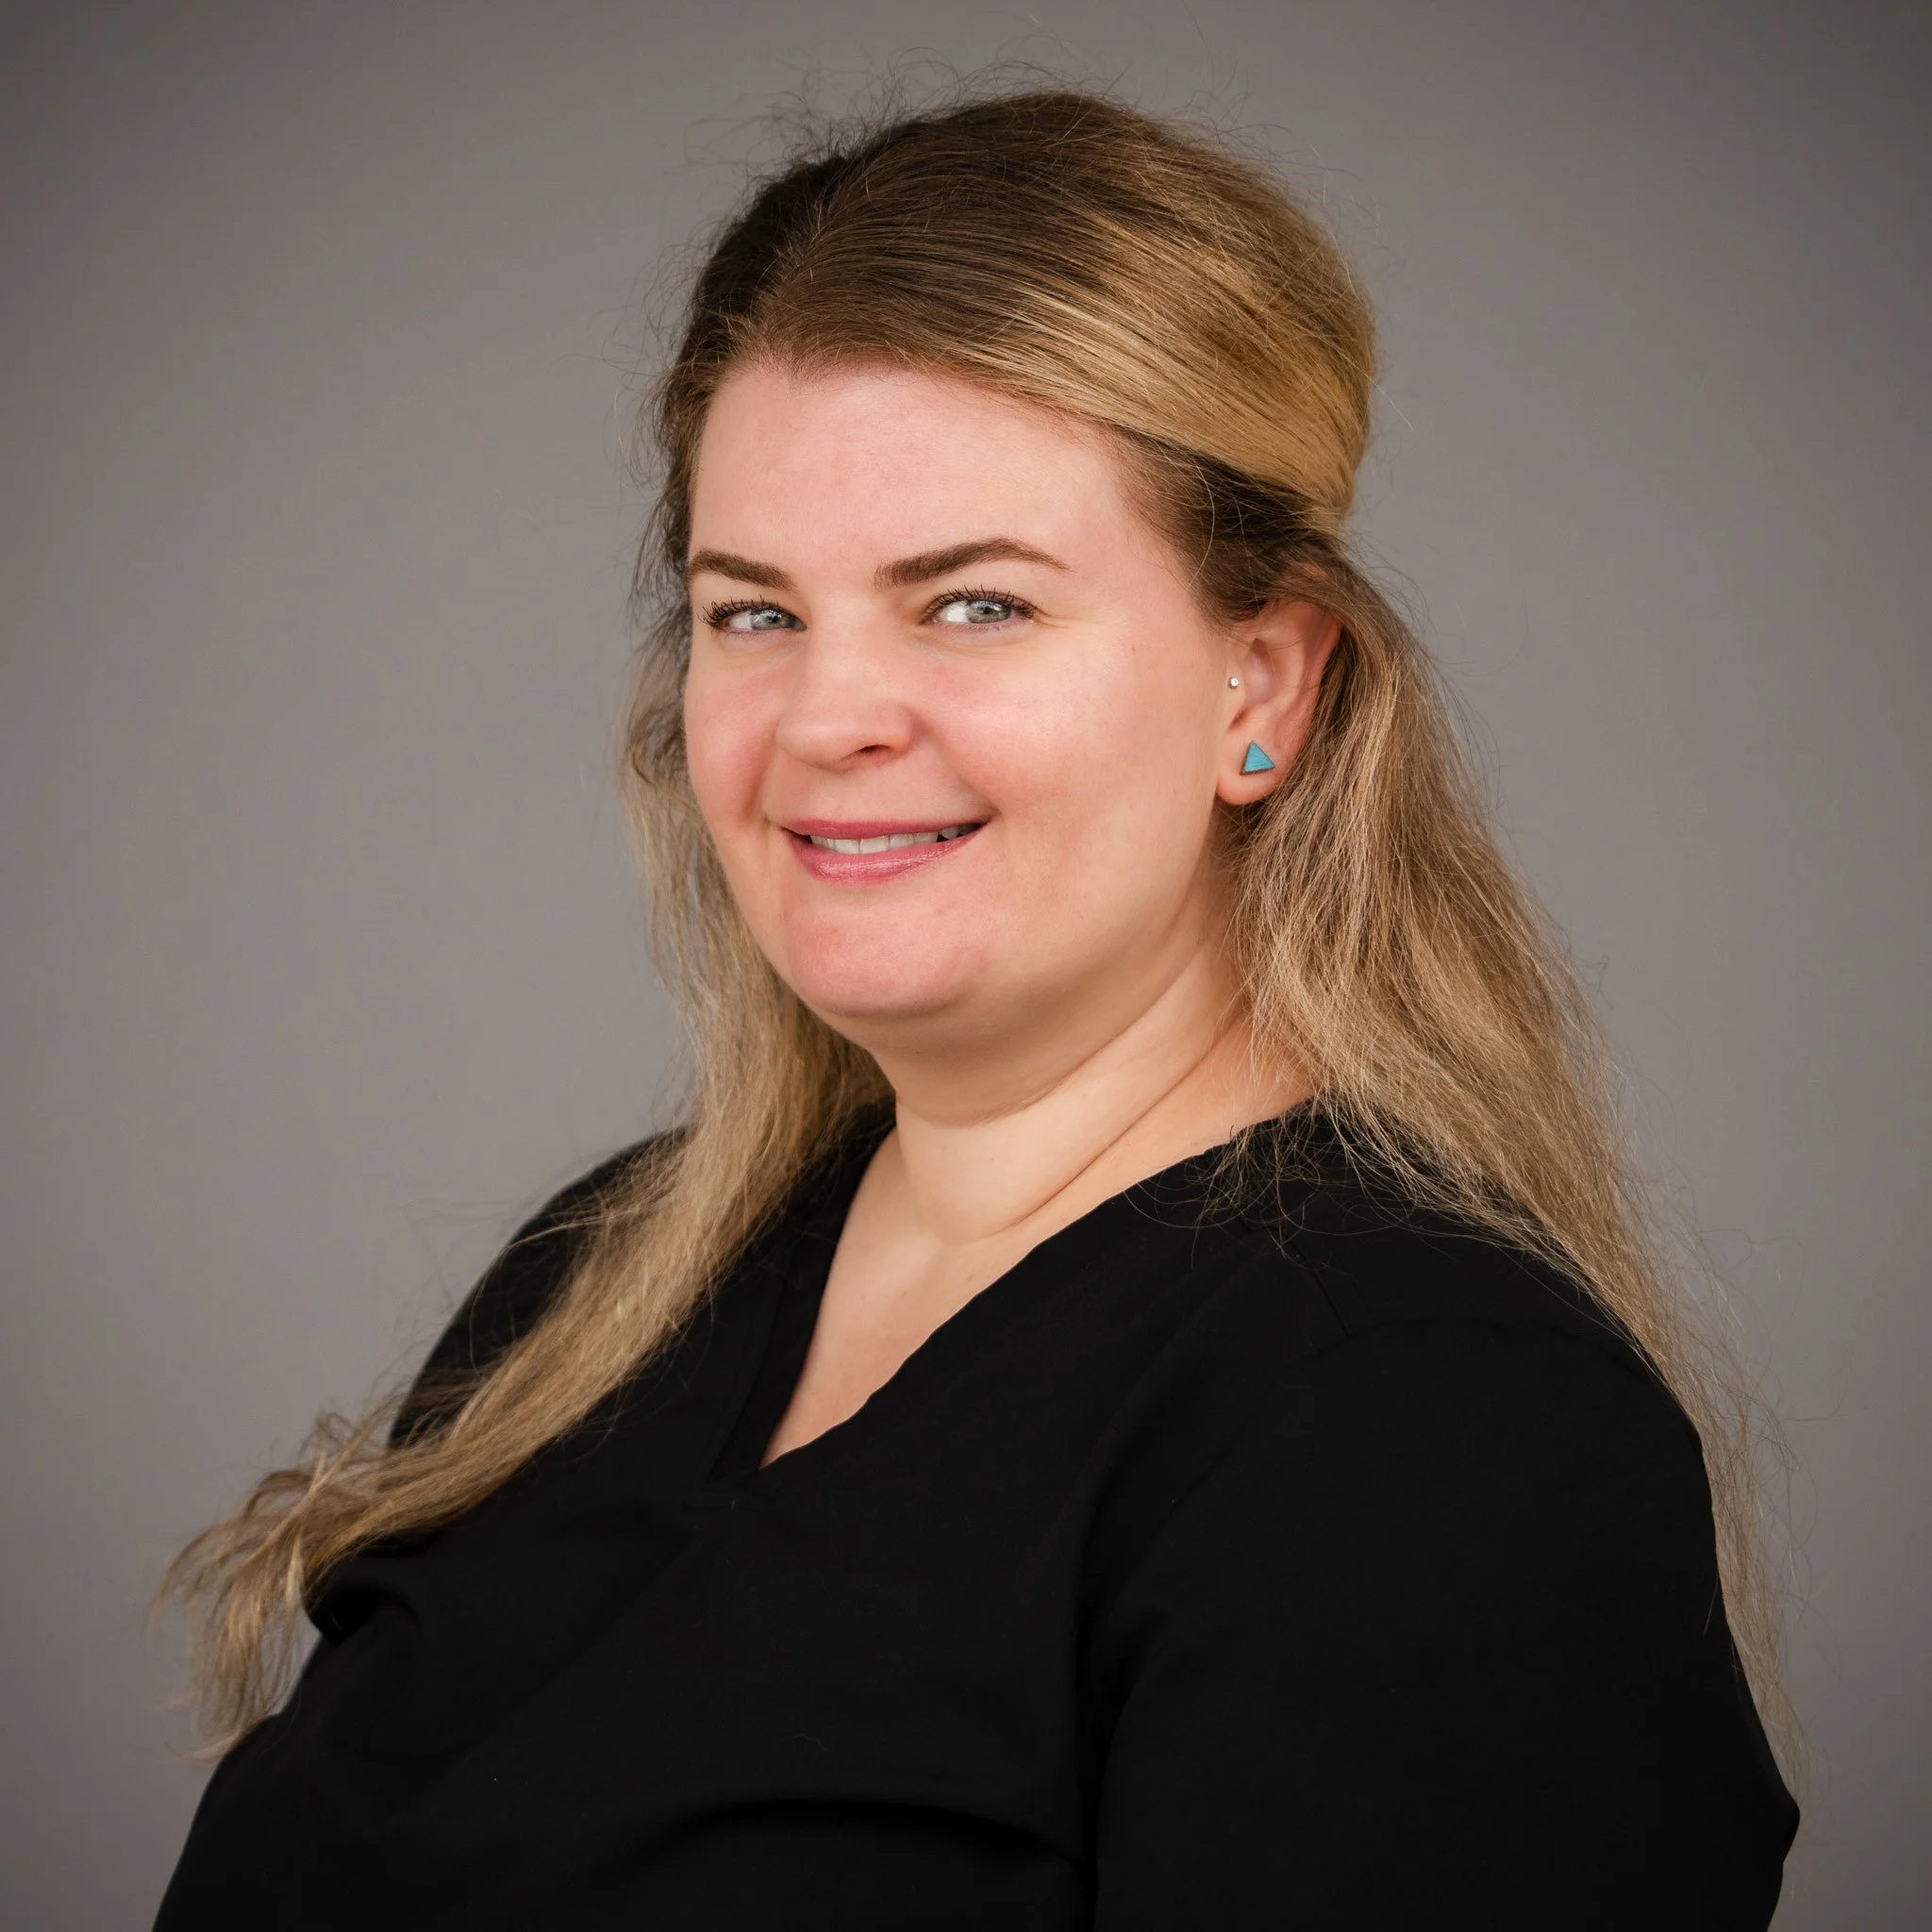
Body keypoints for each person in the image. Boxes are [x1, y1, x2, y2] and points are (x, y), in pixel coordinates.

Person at [156, 87, 1798, 1928]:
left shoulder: (1429, 1435)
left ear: (1264, 685)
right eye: (753, 613)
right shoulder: (604, 1281)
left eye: (975, 607)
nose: (827, 718)